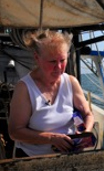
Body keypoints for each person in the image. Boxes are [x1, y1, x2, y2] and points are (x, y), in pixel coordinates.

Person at [8, 29, 95, 157]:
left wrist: (85, 134)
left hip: (69, 156)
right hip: (34, 160)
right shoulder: (24, 88)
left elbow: (88, 114)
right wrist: (51, 138)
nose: (59, 67)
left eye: (62, 60)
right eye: (52, 62)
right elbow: (15, 132)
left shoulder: (71, 82)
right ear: (37, 58)